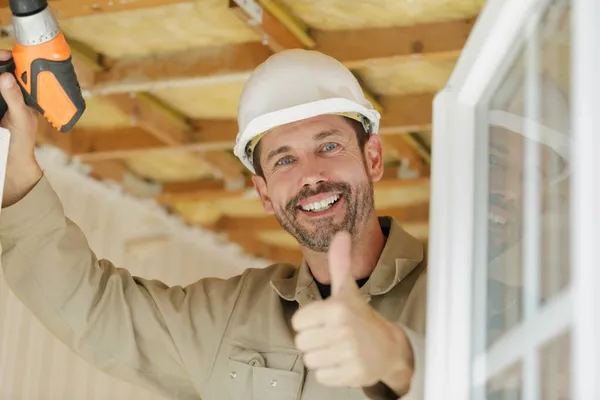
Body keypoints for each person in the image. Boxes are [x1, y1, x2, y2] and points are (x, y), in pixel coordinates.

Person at [0, 48, 427, 400]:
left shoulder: (463, 290)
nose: (310, 175)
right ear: (263, 193)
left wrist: (400, 359)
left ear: (372, 158)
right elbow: (94, 311)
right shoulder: (231, 318)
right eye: (285, 159)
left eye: (329, 145)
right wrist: (15, 166)